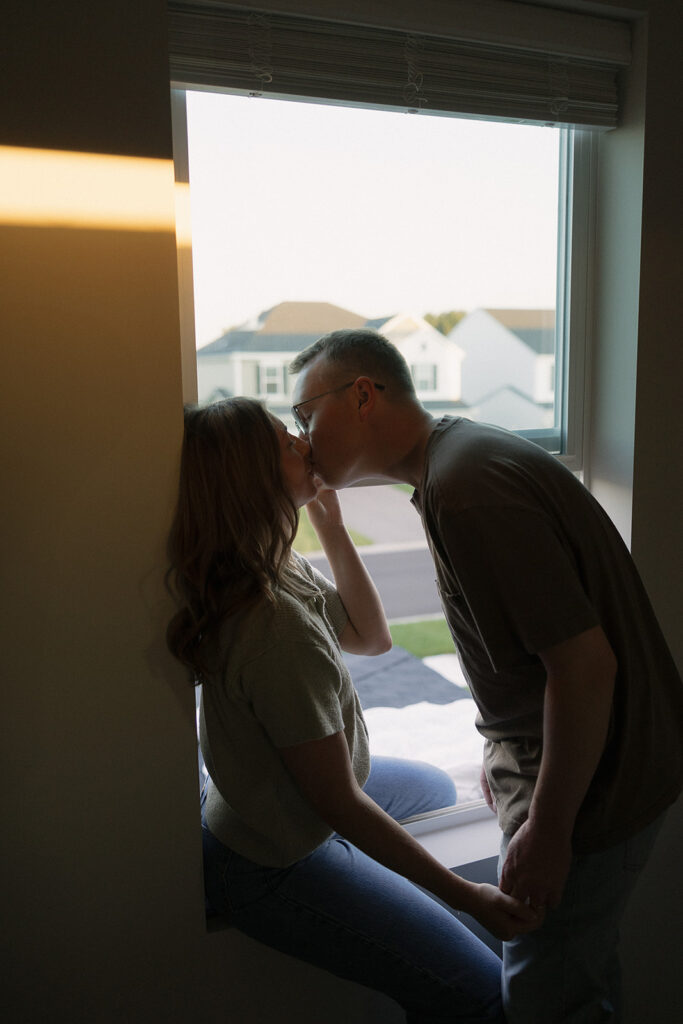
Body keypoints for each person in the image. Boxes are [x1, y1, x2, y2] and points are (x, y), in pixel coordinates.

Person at [289, 328, 683, 1024]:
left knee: (540, 1002)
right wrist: (502, 750)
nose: (301, 438)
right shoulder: (457, 461)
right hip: (591, 772)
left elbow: (584, 666)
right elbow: (527, 659)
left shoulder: (467, 489)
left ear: (360, 396)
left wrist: (549, 826)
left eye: (304, 415)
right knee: (578, 987)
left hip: (595, 793)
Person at [166, 397, 541, 1024]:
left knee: (425, 784)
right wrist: (467, 896)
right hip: (273, 862)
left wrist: (330, 523)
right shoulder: (275, 629)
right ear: (252, 477)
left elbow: (371, 636)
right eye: (287, 441)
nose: (304, 443)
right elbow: (338, 801)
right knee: (481, 996)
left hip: (272, 804)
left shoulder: (269, 564)